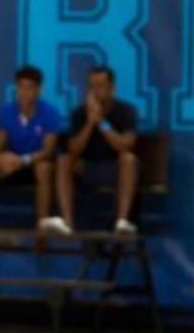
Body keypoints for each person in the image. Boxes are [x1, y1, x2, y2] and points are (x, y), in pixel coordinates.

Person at [43, 65, 140, 235]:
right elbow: (74, 149)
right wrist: (90, 122)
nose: (95, 91)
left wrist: (102, 123)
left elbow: (125, 145)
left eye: (100, 86)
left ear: (112, 89)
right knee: (63, 159)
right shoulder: (79, 113)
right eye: (91, 86)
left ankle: (122, 222)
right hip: (87, 167)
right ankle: (66, 222)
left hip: (113, 168)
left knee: (128, 159)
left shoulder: (126, 111)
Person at [0, 65, 62, 247]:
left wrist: (24, 160)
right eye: (20, 87)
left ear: (39, 90)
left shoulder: (51, 113)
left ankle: (40, 235)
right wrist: (1, 158)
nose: (24, 92)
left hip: (34, 164)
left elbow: (48, 150)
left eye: (29, 87)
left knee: (45, 168)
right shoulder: (6, 111)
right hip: (12, 164)